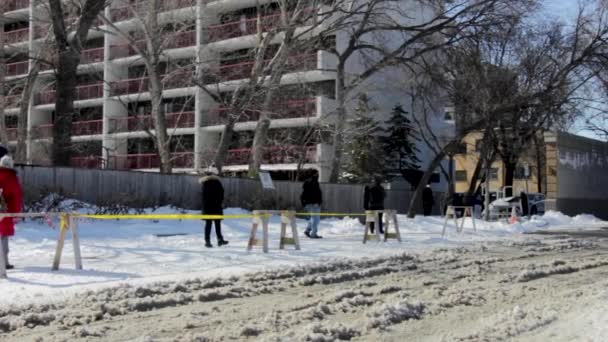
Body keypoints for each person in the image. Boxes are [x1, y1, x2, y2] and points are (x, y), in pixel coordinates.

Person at [0, 147, 23, 269]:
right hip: (5, 212)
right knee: (3, 236)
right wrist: (16, 214)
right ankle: (4, 262)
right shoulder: (11, 178)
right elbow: (17, 197)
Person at [199, 172, 228, 248]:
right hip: (217, 206)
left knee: (208, 224)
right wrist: (219, 202)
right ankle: (220, 239)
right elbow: (222, 194)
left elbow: (203, 197)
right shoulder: (218, 183)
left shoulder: (205, 184)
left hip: (207, 207)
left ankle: (207, 241)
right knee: (217, 224)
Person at [301, 171, 322, 239]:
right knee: (315, 219)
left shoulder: (310, 183)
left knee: (314, 218)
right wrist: (316, 202)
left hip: (311, 204)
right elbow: (315, 194)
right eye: (316, 174)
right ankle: (313, 234)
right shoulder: (313, 183)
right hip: (313, 204)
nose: (317, 175)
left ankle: (307, 230)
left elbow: (303, 195)